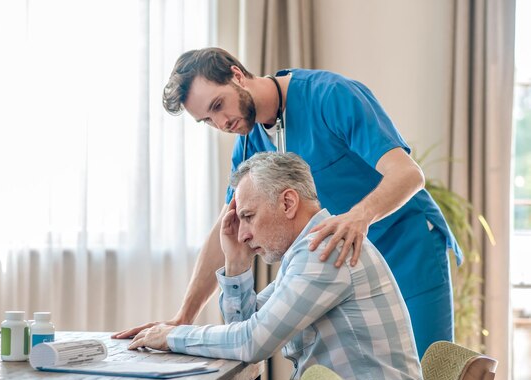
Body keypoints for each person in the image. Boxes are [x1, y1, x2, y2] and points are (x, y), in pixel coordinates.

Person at [113, 47, 462, 360]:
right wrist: (183, 318)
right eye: (207, 120)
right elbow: (227, 228)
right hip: (343, 259)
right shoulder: (249, 142)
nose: (221, 123)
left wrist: (359, 216)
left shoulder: (330, 96)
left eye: (218, 105)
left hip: (407, 244)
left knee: (426, 375)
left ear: (237, 75)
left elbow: (408, 175)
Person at [128, 152, 432, 380]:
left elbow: (252, 342)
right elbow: (248, 328)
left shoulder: (324, 251)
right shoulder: (305, 255)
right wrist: (236, 265)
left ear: (288, 202)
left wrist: (172, 336)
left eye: (248, 216)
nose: (243, 234)